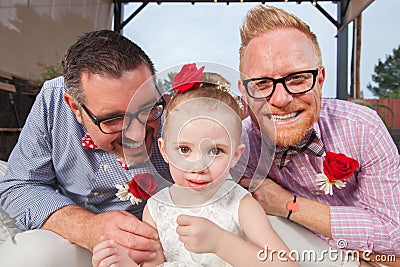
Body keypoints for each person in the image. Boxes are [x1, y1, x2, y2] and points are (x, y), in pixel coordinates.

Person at [232, 4, 400, 265]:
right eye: (262, 84)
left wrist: (288, 205)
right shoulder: (237, 147)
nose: (280, 99)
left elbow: (393, 235)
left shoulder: (362, 127)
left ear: (320, 79)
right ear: (244, 92)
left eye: (297, 78)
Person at [92, 64, 297, 267]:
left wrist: (221, 243)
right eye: (184, 149)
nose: (199, 166)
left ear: (236, 155)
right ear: (164, 151)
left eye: (215, 151)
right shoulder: (156, 208)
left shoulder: (240, 204)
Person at [0, 30, 173, 267]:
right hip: (75, 240)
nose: (136, 134)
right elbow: (20, 185)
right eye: (112, 120)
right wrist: (87, 227)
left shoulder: (177, 117)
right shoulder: (52, 101)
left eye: (147, 109)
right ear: (74, 107)